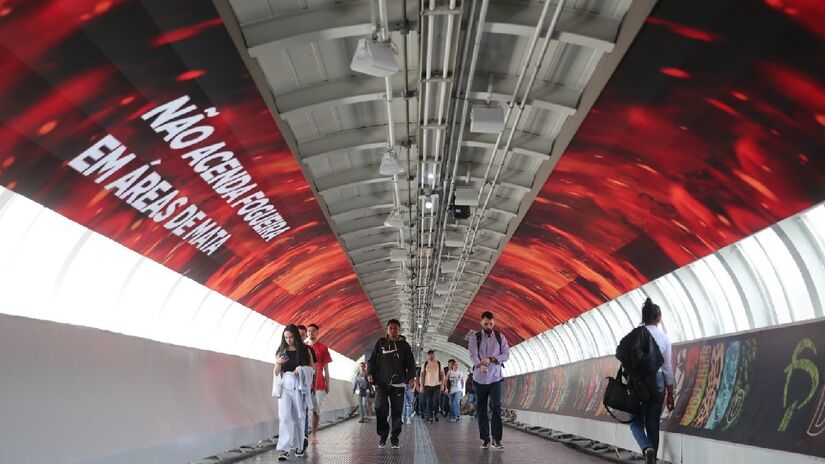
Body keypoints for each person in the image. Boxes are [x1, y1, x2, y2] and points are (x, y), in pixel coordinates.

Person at [630, 298, 674, 464]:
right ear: (658, 318)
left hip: (638, 382)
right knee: (653, 422)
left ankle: (646, 448)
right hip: (658, 380)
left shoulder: (634, 336)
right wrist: (670, 394)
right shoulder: (664, 339)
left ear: (643, 317)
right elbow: (668, 368)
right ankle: (652, 459)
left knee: (635, 421)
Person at [367, 319, 416, 449]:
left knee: (397, 411)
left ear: (399, 330)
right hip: (381, 383)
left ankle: (394, 437)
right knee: (380, 408)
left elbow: (411, 363)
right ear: (387, 330)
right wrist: (369, 373)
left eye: (395, 328)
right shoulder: (381, 343)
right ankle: (383, 435)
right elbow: (371, 360)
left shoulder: (404, 345)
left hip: (398, 384)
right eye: (391, 328)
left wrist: (411, 378)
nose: (393, 330)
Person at [273, 324, 315, 461]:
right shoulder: (281, 350)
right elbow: (276, 372)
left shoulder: (305, 350)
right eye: (286, 337)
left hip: (299, 386)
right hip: (285, 386)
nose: (288, 340)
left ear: (296, 336)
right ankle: (285, 448)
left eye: (291, 337)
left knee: (299, 417)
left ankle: (299, 445)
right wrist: (278, 363)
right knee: (284, 417)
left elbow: (312, 369)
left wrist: (302, 370)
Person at [469, 311, 510, 450]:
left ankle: (497, 439)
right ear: (481, 322)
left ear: (494, 322)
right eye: (486, 324)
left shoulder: (500, 337)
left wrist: (492, 359)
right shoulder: (475, 337)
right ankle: (485, 438)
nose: (488, 326)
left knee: (496, 406)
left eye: (491, 324)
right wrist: (480, 364)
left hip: (495, 377)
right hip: (479, 378)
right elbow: (473, 354)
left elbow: (506, 355)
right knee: (481, 408)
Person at [305, 323, 332, 444]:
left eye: (313, 331)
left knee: (316, 410)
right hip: (304, 383)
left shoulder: (323, 348)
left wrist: (328, 383)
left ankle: (314, 434)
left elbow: (326, 368)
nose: (310, 333)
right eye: (309, 331)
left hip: (319, 384)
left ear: (317, 332)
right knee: (302, 411)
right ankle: (303, 434)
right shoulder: (303, 346)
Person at [297, 325, 317, 450]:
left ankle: (303, 436)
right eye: (298, 334)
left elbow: (313, 369)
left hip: (304, 385)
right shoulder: (287, 349)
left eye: (303, 335)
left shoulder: (308, 350)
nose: (300, 336)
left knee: (303, 411)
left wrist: (313, 386)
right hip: (291, 386)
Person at [418, 350, 443, 423]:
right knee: (428, 401)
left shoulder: (439, 363)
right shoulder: (425, 364)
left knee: (436, 401)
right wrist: (421, 386)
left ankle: (436, 414)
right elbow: (422, 375)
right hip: (427, 385)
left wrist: (442, 385)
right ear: (428, 356)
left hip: (437, 385)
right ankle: (430, 416)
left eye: (432, 355)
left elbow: (442, 374)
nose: (431, 356)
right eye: (429, 355)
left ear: (434, 355)